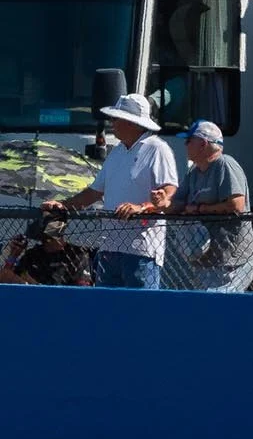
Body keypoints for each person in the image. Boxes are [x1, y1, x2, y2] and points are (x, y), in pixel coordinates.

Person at [48, 91, 177, 290]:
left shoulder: (157, 149)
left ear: (132, 122)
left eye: (116, 118)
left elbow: (169, 190)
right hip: (109, 248)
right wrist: (63, 205)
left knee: (140, 310)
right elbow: (94, 192)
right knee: (107, 311)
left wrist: (143, 206)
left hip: (141, 250)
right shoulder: (117, 152)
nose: (112, 122)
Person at [168, 120, 253, 292]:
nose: (185, 144)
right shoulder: (193, 171)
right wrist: (161, 202)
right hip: (205, 259)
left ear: (203, 144)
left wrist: (200, 209)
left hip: (231, 261)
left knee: (217, 309)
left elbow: (236, 204)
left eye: (189, 140)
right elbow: (177, 202)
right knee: (206, 310)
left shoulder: (225, 164)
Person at [1, 207, 89, 286]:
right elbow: (5, 277)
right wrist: (13, 255)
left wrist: (35, 285)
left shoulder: (77, 255)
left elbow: (82, 289)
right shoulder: (33, 254)